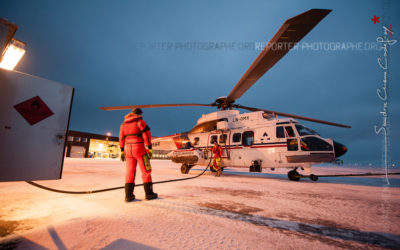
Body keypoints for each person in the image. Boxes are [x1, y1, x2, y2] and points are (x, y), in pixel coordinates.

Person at [119, 108, 158, 202]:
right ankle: (149, 194)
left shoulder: (123, 124)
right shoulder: (140, 122)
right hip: (139, 148)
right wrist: (150, 148)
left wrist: (121, 150)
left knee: (130, 172)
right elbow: (147, 135)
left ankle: (128, 195)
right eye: (140, 114)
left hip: (128, 150)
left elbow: (121, 137)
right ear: (138, 114)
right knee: (146, 170)